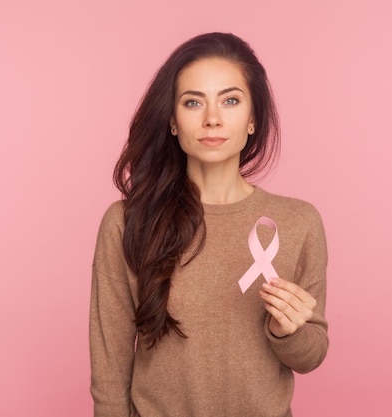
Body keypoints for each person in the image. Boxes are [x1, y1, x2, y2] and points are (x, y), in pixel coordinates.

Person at [90, 32, 328, 417]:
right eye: (193, 102)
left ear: (253, 120)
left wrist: (289, 330)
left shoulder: (299, 222)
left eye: (230, 100)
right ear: (171, 120)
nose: (212, 118)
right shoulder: (127, 222)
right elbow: (110, 369)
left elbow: (311, 353)